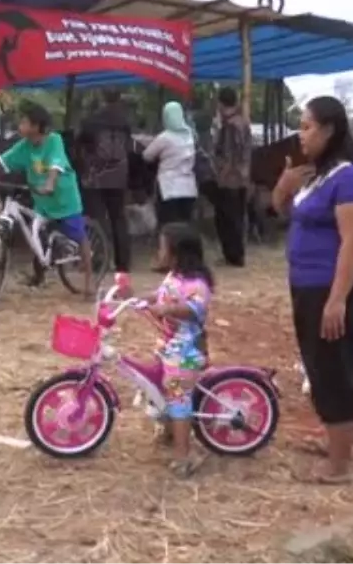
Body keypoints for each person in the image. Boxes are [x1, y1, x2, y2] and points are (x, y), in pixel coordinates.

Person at [271, 95, 353, 484]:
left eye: (307, 126)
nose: (301, 134)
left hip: (331, 288)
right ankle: (335, 443)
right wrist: (282, 189)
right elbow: (286, 215)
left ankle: (340, 466)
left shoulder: (350, 177)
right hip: (306, 284)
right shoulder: (316, 174)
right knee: (318, 366)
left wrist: (337, 299)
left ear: (330, 130)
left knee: (331, 369)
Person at [0, 102, 93, 295]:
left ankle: (89, 280)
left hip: (63, 198)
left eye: (25, 122)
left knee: (78, 234)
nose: (20, 124)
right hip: (41, 197)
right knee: (38, 233)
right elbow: (2, 160)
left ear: (36, 126)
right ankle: (39, 275)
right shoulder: (24, 146)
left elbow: (56, 163)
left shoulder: (54, 140)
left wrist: (50, 183)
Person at [146, 222, 214, 478]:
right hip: (170, 348)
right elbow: (161, 294)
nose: (159, 252)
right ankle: (171, 431)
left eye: (163, 247)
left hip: (187, 354)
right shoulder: (173, 276)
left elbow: (196, 309)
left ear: (177, 253)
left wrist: (169, 310)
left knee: (177, 397)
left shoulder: (198, 284)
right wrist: (138, 297)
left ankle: (184, 455)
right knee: (163, 389)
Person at [77, 89, 132, 274]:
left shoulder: (92, 120)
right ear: (119, 98)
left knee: (97, 219)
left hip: (96, 176)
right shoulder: (124, 121)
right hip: (119, 176)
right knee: (118, 218)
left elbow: (80, 144)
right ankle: (123, 263)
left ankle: (99, 260)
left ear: (102, 98)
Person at [142, 102, 198, 270]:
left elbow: (147, 156)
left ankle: (165, 261)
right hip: (188, 187)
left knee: (167, 226)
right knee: (185, 226)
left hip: (169, 188)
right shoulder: (190, 135)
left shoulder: (164, 137)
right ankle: (187, 261)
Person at [213, 87, 252, 267]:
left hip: (231, 179)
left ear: (221, 103)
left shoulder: (230, 125)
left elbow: (230, 154)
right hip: (242, 177)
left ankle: (233, 256)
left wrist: (222, 174)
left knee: (227, 218)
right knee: (237, 216)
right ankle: (237, 255)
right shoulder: (243, 122)